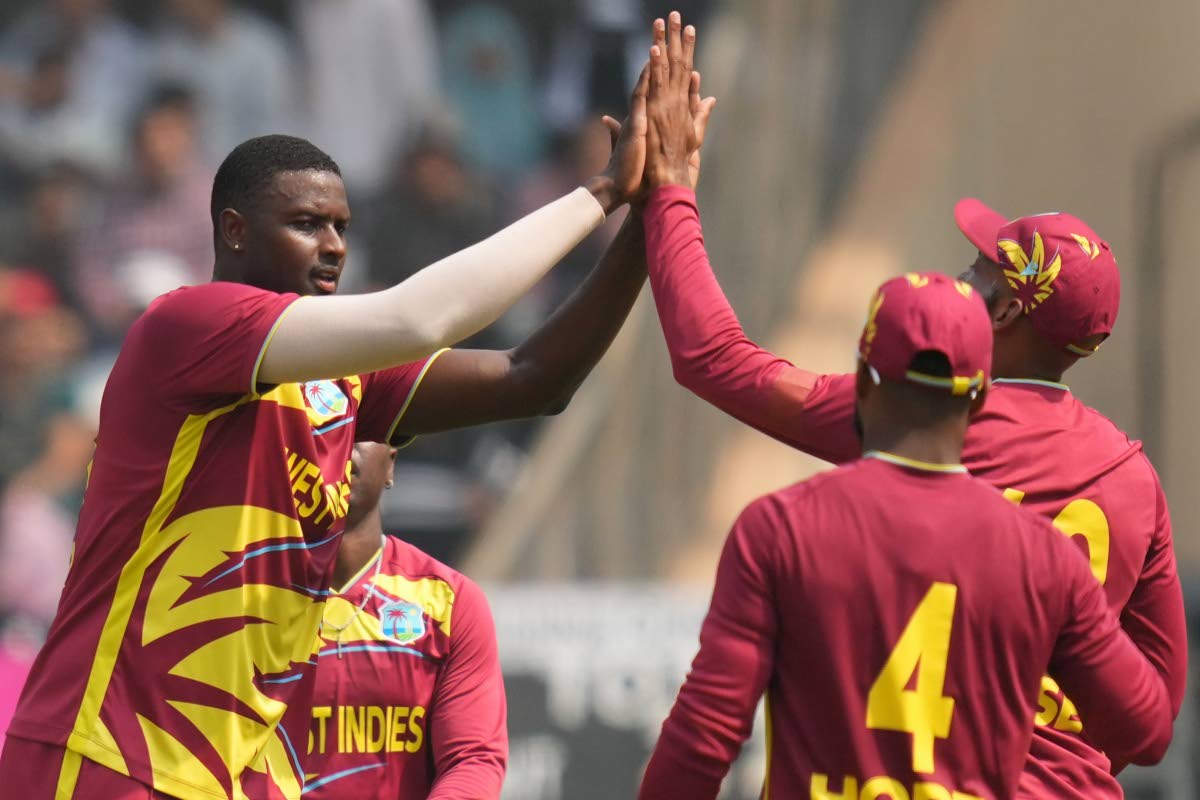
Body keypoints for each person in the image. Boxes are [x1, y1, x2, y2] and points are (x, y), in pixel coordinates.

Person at [0, 49, 698, 795]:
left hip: (226, 777)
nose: (333, 247)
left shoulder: (341, 377)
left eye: (340, 227)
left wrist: (649, 212)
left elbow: (536, 378)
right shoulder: (186, 327)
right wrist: (600, 190)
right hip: (104, 754)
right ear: (234, 230)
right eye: (305, 224)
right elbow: (421, 315)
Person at [637, 11, 1186, 799]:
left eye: (978, 270)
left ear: (1001, 314)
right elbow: (1150, 719)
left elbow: (713, 357)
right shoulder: (1133, 481)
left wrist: (672, 196)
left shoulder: (915, 422)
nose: (961, 275)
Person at [638, 269, 1173, 800]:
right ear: (982, 394)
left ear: (863, 381)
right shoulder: (1044, 556)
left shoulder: (780, 528)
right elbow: (1145, 729)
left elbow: (704, 737)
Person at [302, 442, 504, 798]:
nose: (344, 450)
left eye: (361, 432)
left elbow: (472, 759)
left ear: (391, 464)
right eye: (325, 430)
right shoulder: (239, 601)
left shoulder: (450, 602)